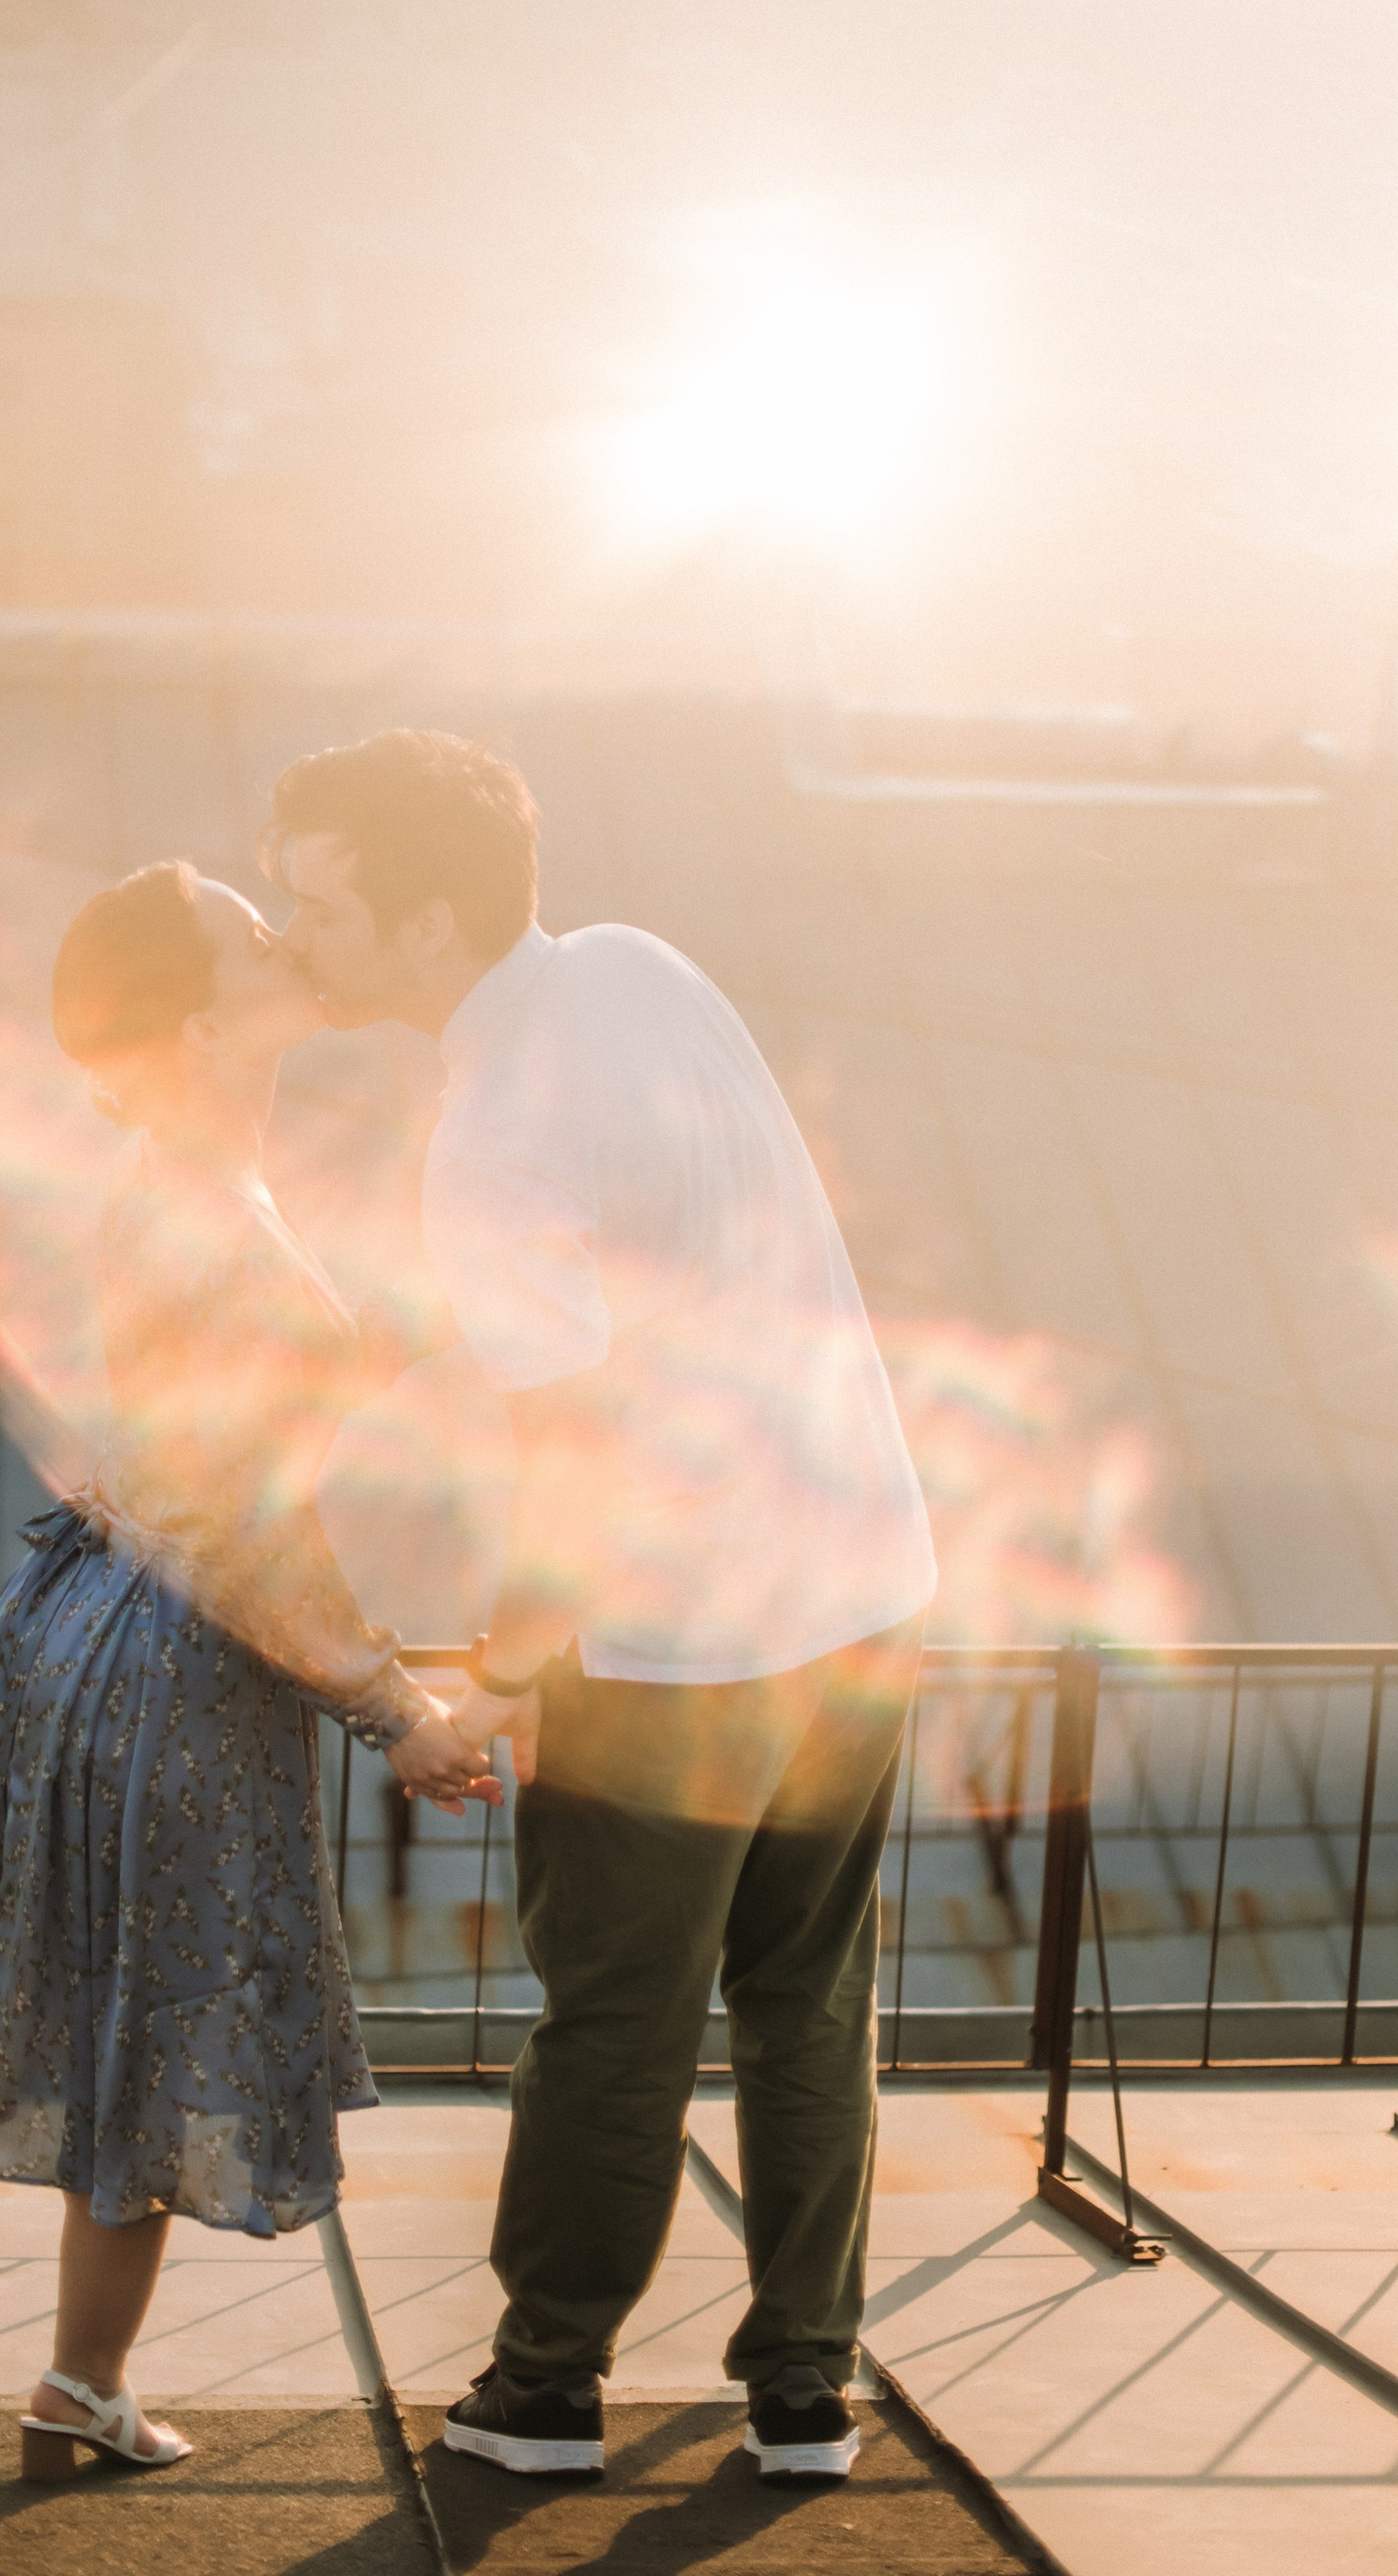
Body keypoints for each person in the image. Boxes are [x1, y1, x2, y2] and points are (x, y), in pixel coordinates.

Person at [0, 862, 496, 2476]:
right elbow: (251, 1543)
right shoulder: (219, 1218)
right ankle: (81, 2383)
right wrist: (396, 1707)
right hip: (179, 1663)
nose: (283, 940)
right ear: (201, 1020)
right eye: (251, 939)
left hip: (65, 1621)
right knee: (148, 2027)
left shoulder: (172, 1181)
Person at [267, 729, 936, 2487]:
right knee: (805, 2003)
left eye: (318, 905)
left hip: (680, 1643)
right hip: (863, 1580)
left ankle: (544, 2388)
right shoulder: (639, 969)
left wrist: (498, 1673)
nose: (294, 937)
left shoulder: (485, 1141)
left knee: (615, 2018)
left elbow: (564, 1446)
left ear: (423, 925)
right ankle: (804, 2391)